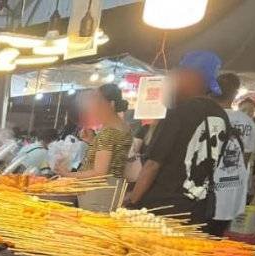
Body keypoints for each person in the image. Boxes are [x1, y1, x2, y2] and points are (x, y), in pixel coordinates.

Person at [127, 51, 230, 224]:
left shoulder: (179, 113)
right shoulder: (222, 117)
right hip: (197, 210)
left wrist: (132, 202)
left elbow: (152, 164)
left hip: (161, 208)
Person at [59, 83, 134, 211]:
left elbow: (100, 172)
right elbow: (112, 155)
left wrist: (68, 175)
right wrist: (92, 141)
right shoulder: (124, 127)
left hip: (98, 192)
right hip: (112, 188)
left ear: (110, 105)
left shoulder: (108, 132)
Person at [209, 73, 251, 237]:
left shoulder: (205, 116)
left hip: (203, 194)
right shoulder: (248, 123)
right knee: (216, 239)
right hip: (231, 194)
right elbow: (245, 161)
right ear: (235, 94)